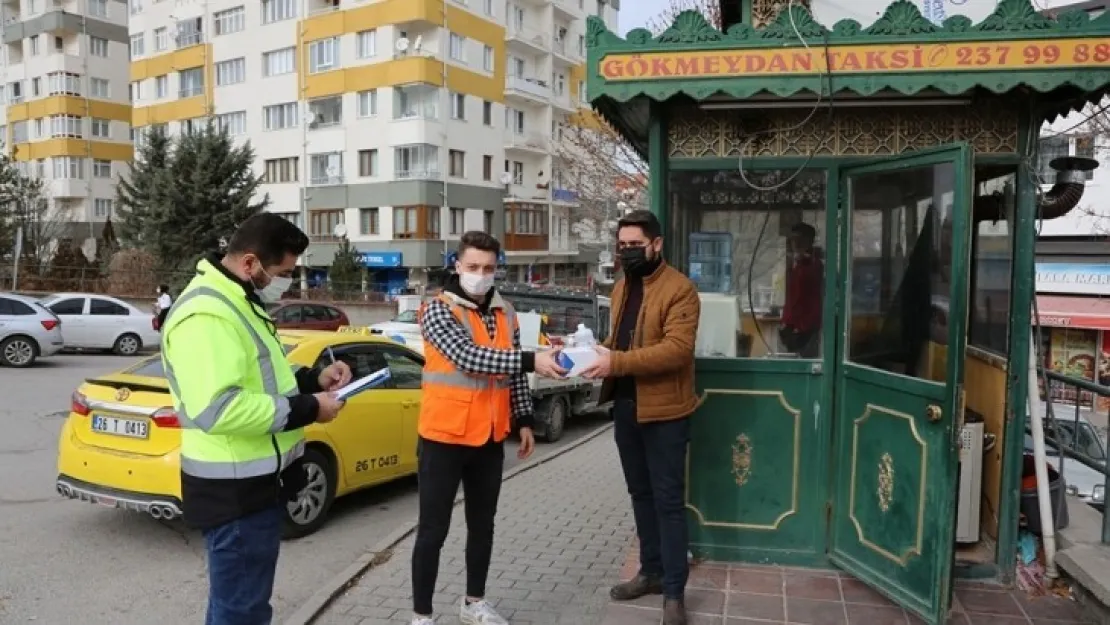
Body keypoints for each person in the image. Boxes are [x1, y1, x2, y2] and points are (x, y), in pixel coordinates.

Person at [161, 213, 351, 625]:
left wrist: (314, 379)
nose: (283, 281)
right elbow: (220, 408)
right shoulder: (208, 314)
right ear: (250, 263)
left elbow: (264, 380)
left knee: (238, 606)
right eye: (281, 272)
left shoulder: (239, 301)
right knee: (241, 612)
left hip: (255, 486)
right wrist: (312, 408)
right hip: (233, 493)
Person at [411, 231, 567, 625]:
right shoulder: (437, 309)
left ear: (497, 269)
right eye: (473, 267)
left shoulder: (507, 311)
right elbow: (467, 357)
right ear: (457, 266)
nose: (480, 275)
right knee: (433, 530)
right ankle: (422, 615)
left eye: (488, 268)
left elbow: (512, 373)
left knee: (483, 527)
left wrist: (525, 419)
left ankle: (473, 602)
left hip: (489, 438)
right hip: (443, 437)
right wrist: (532, 359)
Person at [580, 210, 701, 625]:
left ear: (657, 244)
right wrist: (591, 352)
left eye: (635, 245)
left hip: (666, 411)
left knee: (668, 502)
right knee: (640, 495)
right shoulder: (621, 288)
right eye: (623, 246)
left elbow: (676, 350)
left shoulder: (680, 289)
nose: (628, 253)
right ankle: (649, 572)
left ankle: (673, 593)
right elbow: (620, 341)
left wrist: (616, 361)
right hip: (628, 407)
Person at [778, 222, 823, 358]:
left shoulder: (814, 265)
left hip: (807, 328)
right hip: (791, 327)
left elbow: (806, 298)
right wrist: (786, 322)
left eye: (800, 240)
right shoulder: (795, 265)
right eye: (793, 240)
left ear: (809, 241)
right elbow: (792, 297)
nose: (795, 244)